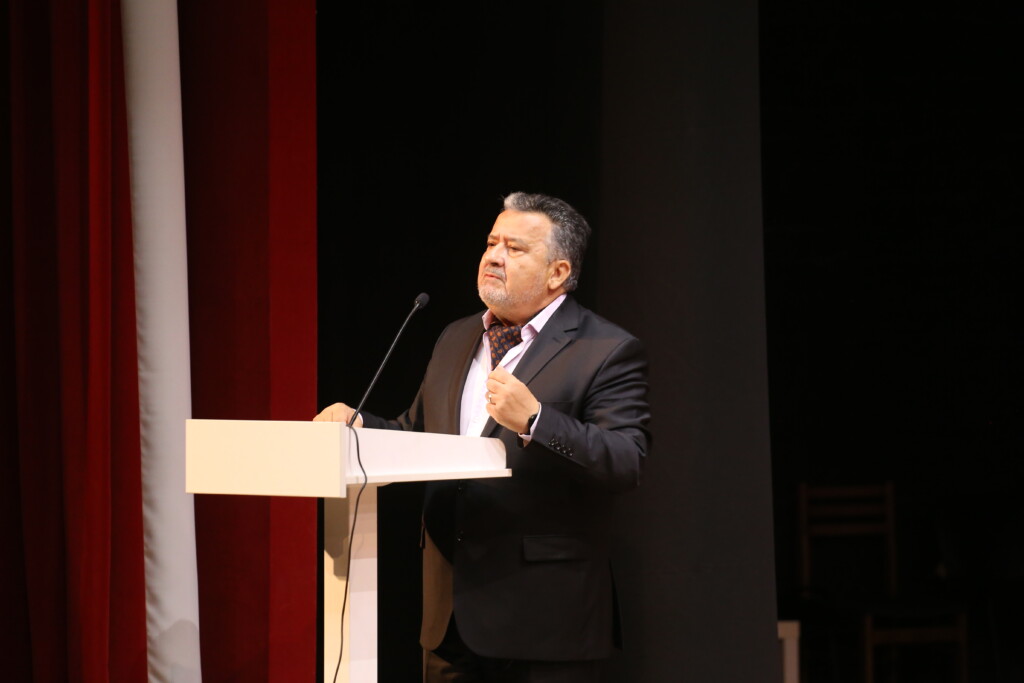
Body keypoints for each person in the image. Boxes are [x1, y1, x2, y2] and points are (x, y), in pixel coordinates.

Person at [315, 192, 650, 682]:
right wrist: (360, 426)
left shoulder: (605, 349)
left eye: (515, 248)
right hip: (448, 616)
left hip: (544, 623)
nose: (493, 256)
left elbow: (625, 459)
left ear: (557, 273)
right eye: (492, 243)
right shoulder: (456, 337)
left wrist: (537, 420)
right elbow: (418, 434)